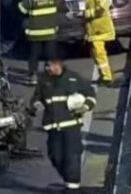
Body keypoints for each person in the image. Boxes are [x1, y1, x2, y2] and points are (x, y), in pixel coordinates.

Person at [30, 58, 96, 192]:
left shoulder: (73, 78)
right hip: (53, 127)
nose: (47, 68)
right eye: (46, 66)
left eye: (49, 65)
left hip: (71, 125)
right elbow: (36, 97)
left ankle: (73, 188)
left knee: (72, 156)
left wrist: (85, 107)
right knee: (55, 156)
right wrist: (36, 103)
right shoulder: (43, 80)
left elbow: (90, 94)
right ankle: (69, 181)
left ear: (57, 64)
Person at [18, 0, 58, 86]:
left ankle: (33, 76)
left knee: (34, 55)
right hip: (50, 31)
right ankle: (50, 75)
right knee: (50, 55)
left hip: (35, 32)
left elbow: (22, 10)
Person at [79, 0, 115, 85]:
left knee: (99, 52)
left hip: (100, 27)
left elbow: (100, 10)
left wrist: (85, 14)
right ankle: (103, 75)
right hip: (93, 27)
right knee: (95, 53)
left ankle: (107, 77)